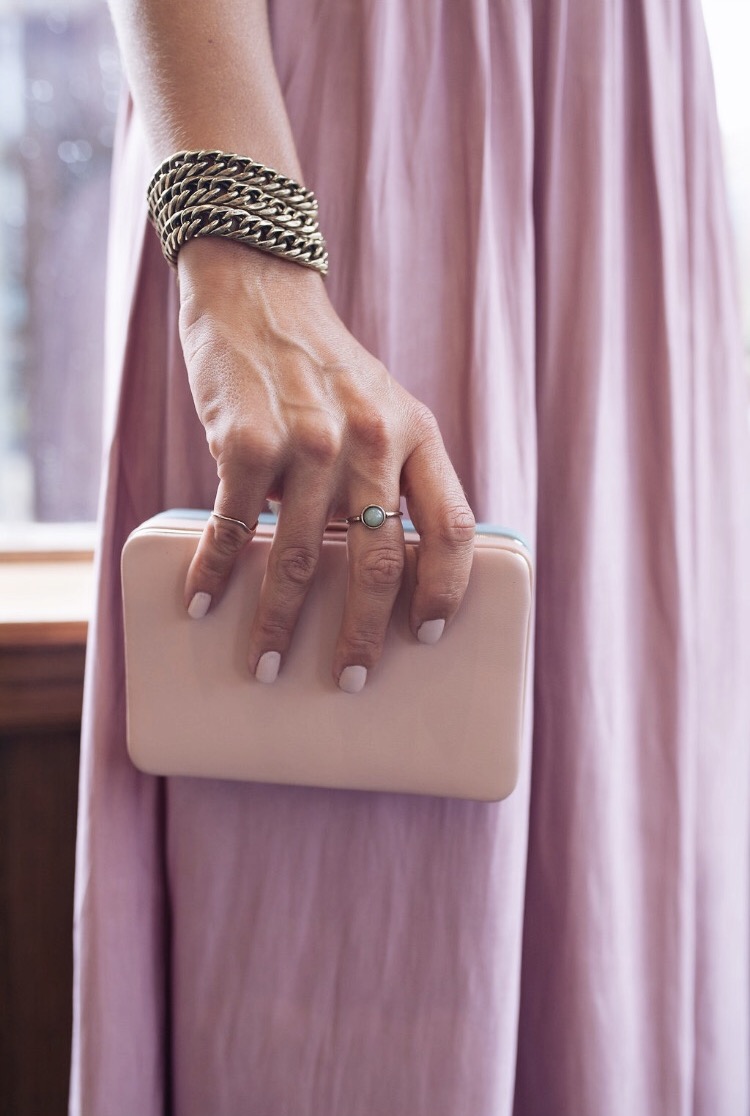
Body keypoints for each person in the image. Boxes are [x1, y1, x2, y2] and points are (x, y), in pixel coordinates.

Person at [70, 1, 750, 1113]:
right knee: (344, 925)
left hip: (621, 136)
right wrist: (241, 237)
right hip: (338, 122)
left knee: (614, 866)